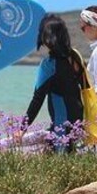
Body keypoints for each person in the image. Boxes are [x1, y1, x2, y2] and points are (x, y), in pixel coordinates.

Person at [21, 14, 85, 152]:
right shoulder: (75, 58)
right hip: (79, 123)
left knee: (62, 163)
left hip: (61, 127)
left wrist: (21, 129)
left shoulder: (49, 65)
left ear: (46, 37)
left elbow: (37, 99)